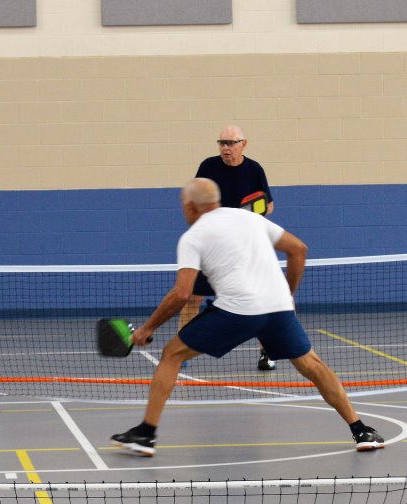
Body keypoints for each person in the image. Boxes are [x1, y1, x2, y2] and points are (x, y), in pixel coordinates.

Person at [110, 178, 385, 457]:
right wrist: (288, 294)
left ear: (191, 207)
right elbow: (298, 249)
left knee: (171, 354)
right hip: (278, 308)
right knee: (312, 365)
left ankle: (146, 434)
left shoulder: (193, 236)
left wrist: (147, 328)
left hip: (239, 310)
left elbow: (183, 293)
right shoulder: (251, 219)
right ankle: (361, 430)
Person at [180, 125, 277, 370]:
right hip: (213, 245)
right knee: (192, 297)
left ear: (243, 144)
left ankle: (267, 354)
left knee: (260, 300)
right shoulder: (208, 167)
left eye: (231, 143)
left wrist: (249, 218)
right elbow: (194, 200)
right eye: (221, 143)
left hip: (245, 248)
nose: (225, 148)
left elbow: (268, 206)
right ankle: (180, 351)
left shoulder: (254, 170)